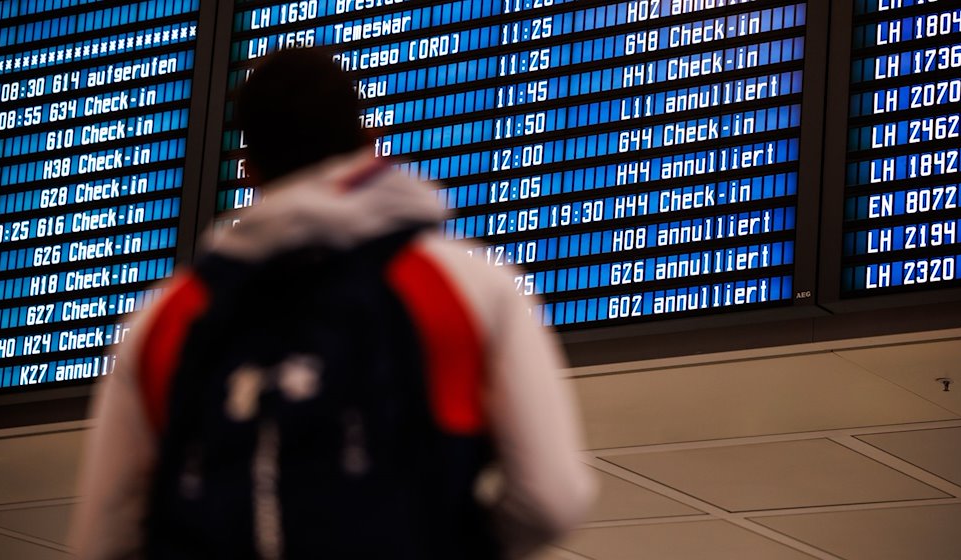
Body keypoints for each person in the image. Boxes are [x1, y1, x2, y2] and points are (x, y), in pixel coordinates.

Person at [71, 48, 594, 559]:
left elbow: (103, 538)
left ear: (248, 170)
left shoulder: (166, 317)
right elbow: (550, 497)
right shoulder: (464, 282)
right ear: (370, 141)